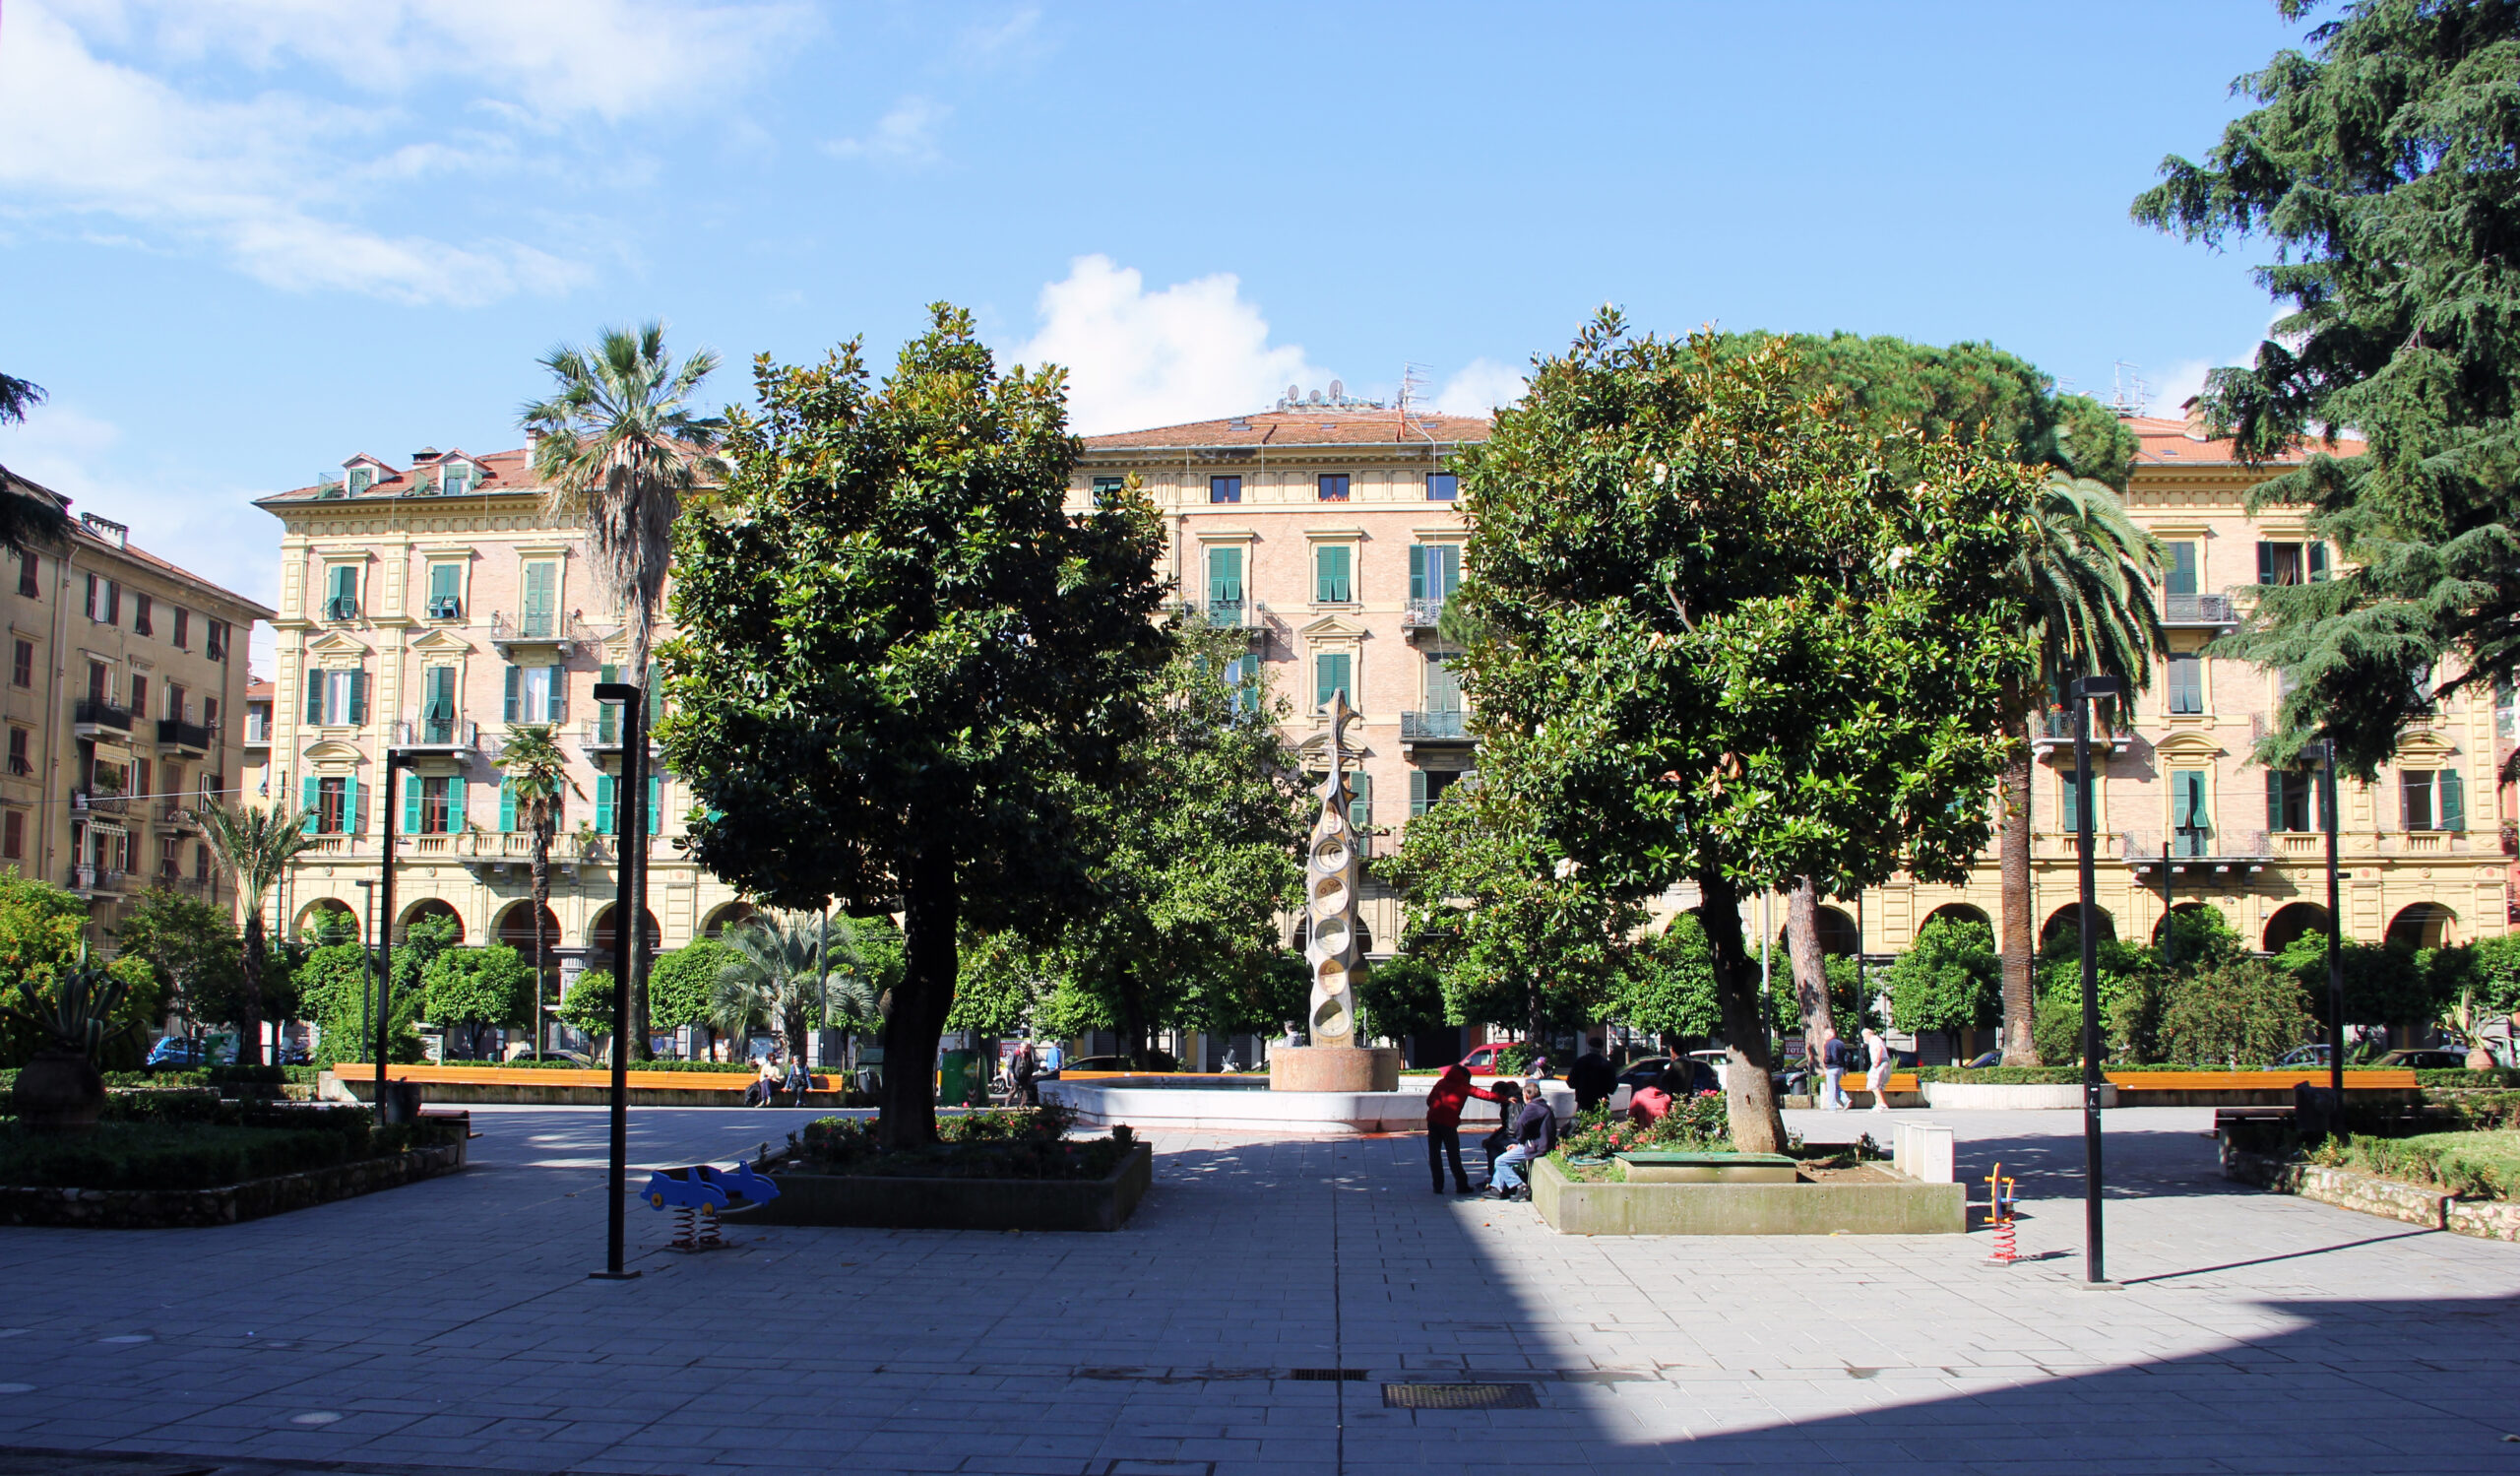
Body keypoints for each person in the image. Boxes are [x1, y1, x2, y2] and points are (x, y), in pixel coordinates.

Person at [1423, 1063, 1504, 1193]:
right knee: (1453, 1155)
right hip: (1449, 1124)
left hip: (1433, 1121)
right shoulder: (1463, 1086)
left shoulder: (1441, 1083)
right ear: (1465, 1077)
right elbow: (1484, 1095)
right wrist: (1504, 1099)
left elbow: (1429, 1101)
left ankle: (1437, 1186)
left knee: (1435, 1154)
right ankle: (1461, 1185)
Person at [1490, 1078, 1560, 1201]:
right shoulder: (1543, 1105)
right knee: (1507, 1154)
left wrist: (1520, 1142)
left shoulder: (1532, 1107)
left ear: (1527, 1095)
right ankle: (1497, 1187)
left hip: (1536, 1146)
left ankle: (1520, 1186)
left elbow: (1520, 1124)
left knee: (1500, 1161)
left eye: (1523, 1095)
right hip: (1539, 1143)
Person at [1480, 1080, 1525, 1185]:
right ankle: (1494, 1177)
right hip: (1514, 1134)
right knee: (1491, 1142)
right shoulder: (1508, 1102)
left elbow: (1512, 1129)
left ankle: (1493, 1178)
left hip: (1517, 1137)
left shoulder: (1513, 1103)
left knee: (1492, 1146)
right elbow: (1506, 1126)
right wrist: (1493, 1137)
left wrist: (1494, 1139)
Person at [1568, 1039, 1616, 1115]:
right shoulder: (1608, 1065)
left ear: (1588, 1047)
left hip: (1583, 1103)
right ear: (1602, 1048)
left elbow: (1571, 1083)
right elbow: (1612, 1088)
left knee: (1582, 1125)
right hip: (1601, 1103)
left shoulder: (1579, 1062)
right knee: (1600, 1125)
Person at [1861, 1027, 1894, 1115]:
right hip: (1883, 1062)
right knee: (1878, 1084)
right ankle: (1878, 1104)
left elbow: (1879, 1049)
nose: (1864, 1038)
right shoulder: (1877, 1039)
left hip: (1880, 1062)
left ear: (1868, 1034)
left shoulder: (1874, 1039)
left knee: (1873, 1083)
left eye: (1864, 1036)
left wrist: (1877, 1061)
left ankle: (1882, 1103)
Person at [1819, 1026, 1850, 1112]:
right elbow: (1846, 1056)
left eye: (1825, 1034)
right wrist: (1845, 1067)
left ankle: (1832, 1107)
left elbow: (1829, 1056)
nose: (1824, 1036)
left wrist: (1826, 1062)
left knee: (1831, 1087)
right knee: (1836, 1085)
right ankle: (1846, 1100)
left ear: (1830, 1035)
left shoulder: (1828, 1044)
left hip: (1832, 1067)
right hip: (1840, 1068)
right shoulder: (1841, 1043)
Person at [1008, 1040, 1040, 1107]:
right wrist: (1011, 1073)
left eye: (1027, 1048)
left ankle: (1023, 1104)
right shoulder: (1015, 1054)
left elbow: (1031, 1065)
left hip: (1025, 1075)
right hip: (1016, 1075)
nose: (1026, 1050)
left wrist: (1030, 1075)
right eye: (1025, 1048)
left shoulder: (1028, 1055)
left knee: (1025, 1090)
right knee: (1014, 1089)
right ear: (1021, 1047)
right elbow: (1010, 1065)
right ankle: (1007, 1101)